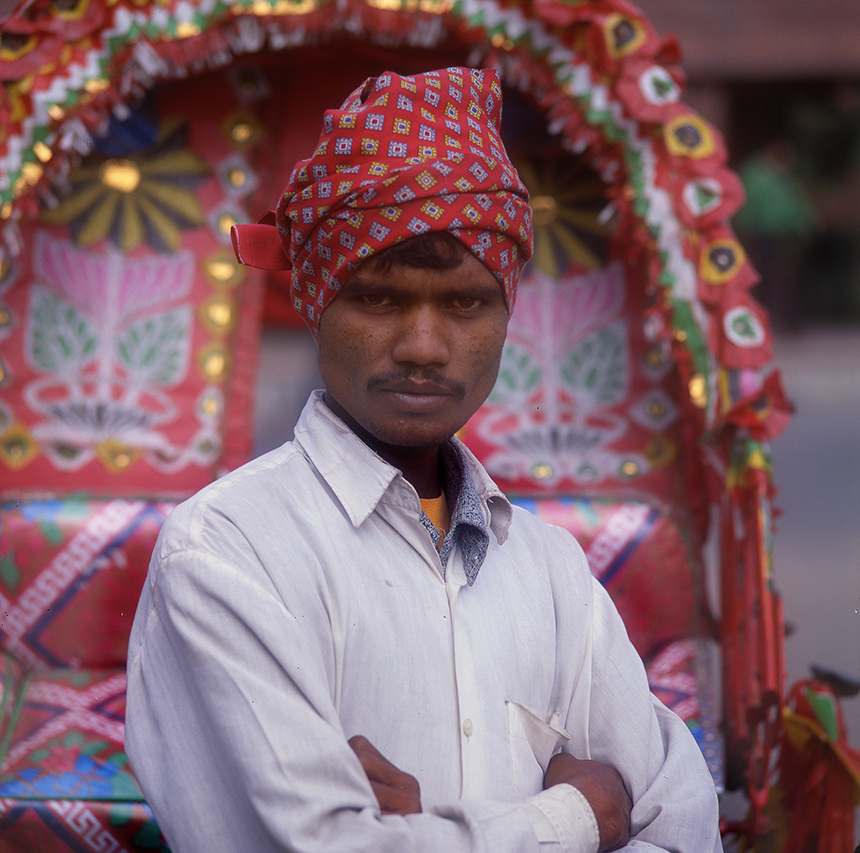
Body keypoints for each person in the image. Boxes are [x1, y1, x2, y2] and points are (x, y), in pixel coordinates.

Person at [125, 66, 721, 853]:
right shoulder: (230, 550)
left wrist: (425, 827)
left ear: (507, 315)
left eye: (465, 303)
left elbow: (681, 822)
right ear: (314, 301)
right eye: (378, 297)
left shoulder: (548, 571)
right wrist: (577, 816)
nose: (423, 346)